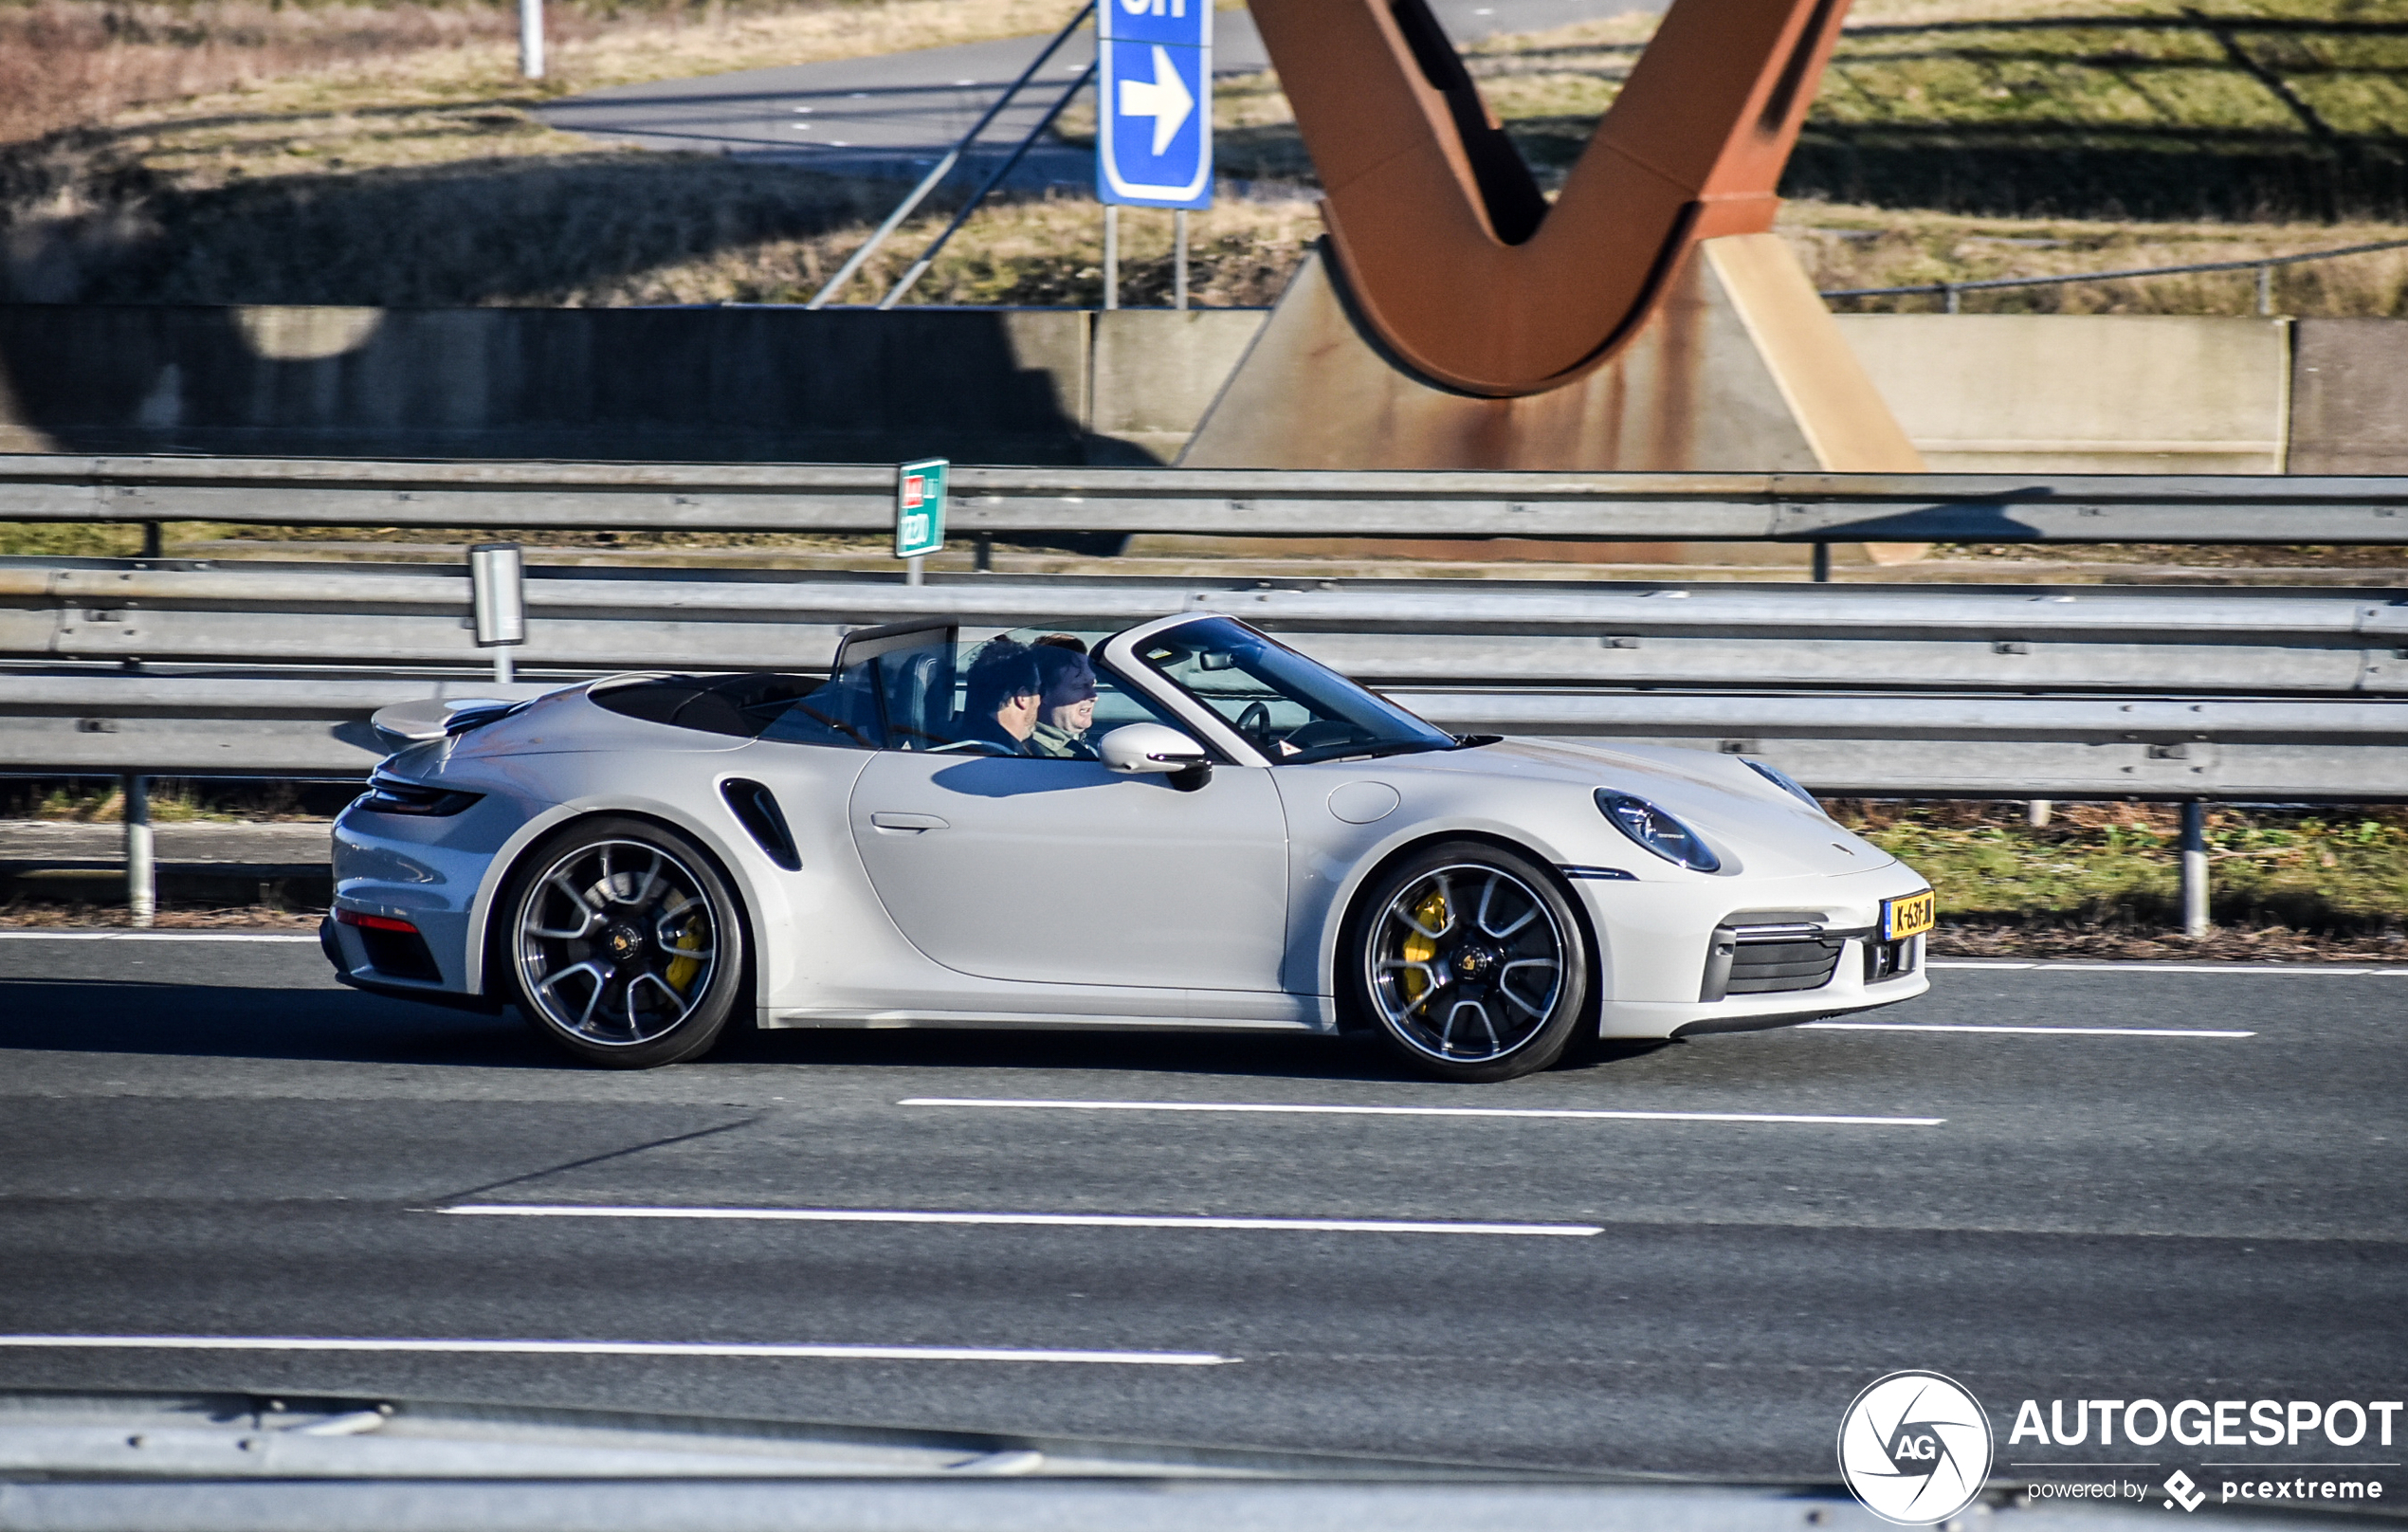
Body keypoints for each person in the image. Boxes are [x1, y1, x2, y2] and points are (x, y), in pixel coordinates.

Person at [958, 640, 1044, 755]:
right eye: (1038, 690)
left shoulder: (957, 743)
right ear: (1022, 696)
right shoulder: (1003, 758)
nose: (1040, 700)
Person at [1027, 636, 1099, 759]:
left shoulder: (1085, 745)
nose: (1094, 696)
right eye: (1079, 686)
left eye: (1092, 684)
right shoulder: (1036, 756)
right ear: (1040, 693)